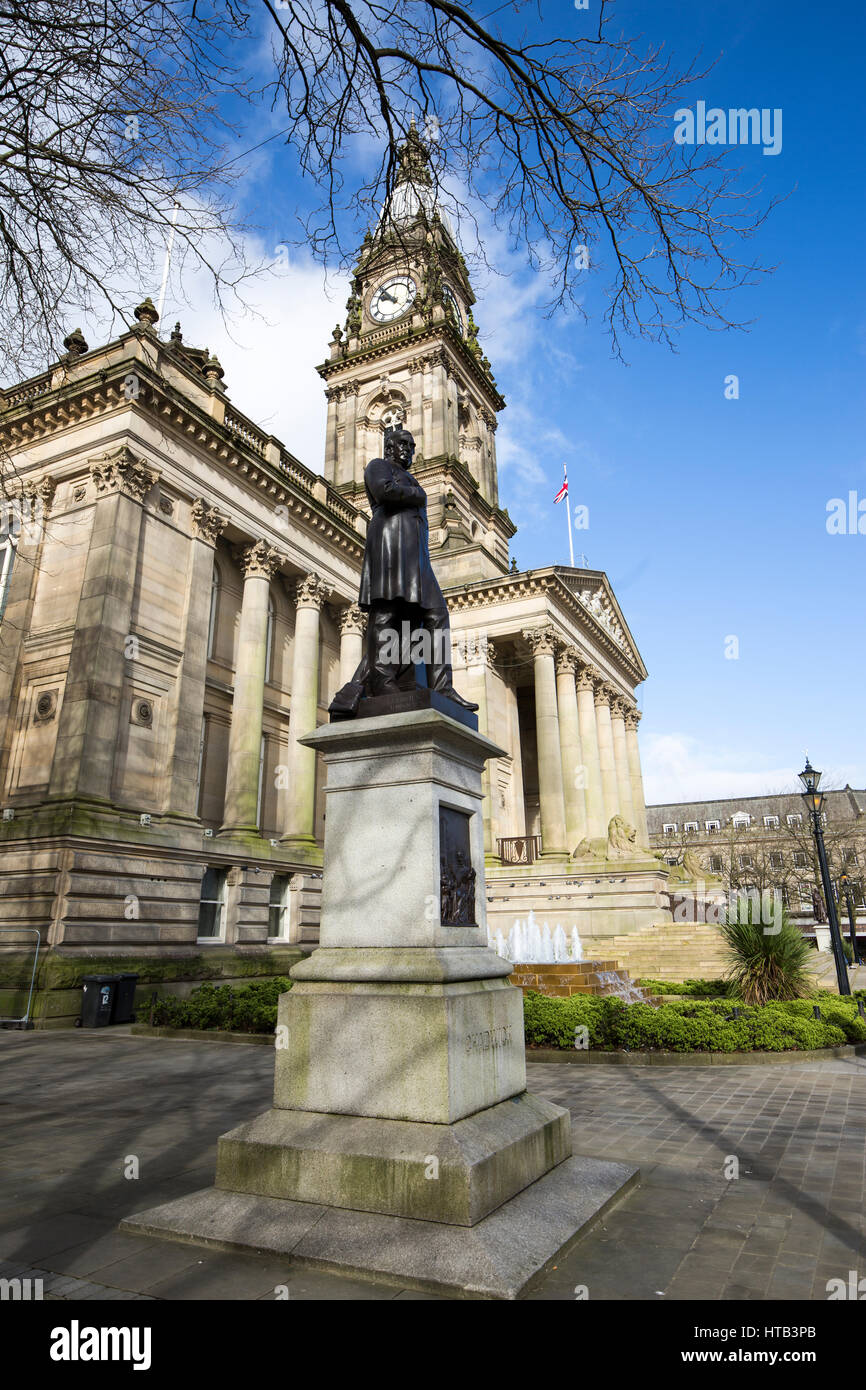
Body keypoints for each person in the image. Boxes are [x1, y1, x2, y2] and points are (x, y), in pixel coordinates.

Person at [330, 422, 478, 715]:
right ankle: (383, 681)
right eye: (404, 445)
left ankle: (442, 686)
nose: (410, 451)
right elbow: (384, 493)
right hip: (389, 550)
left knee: (436, 614)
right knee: (387, 614)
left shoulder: (409, 478)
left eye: (412, 446)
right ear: (389, 448)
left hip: (416, 559)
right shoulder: (377, 467)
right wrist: (418, 494)